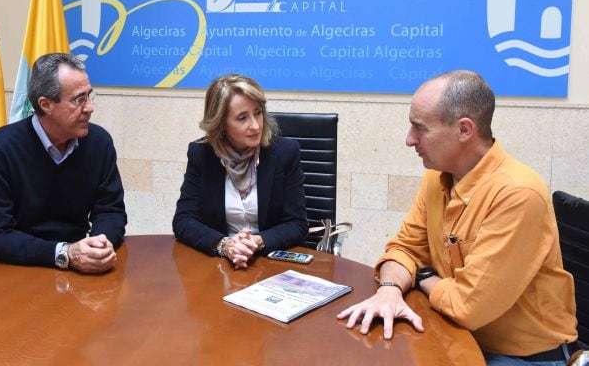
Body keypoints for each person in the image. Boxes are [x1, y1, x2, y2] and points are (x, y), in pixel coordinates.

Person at [337, 70, 578, 364]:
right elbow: (405, 249)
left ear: (464, 130)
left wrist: (423, 275)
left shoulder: (518, 194)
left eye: (419, 128)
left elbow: (467, 306)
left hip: (521, 356)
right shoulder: (439, 176)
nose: (409, 140)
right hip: (452, 332)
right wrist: (389, 290)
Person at [0, 53, 126, 273]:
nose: (89, 108)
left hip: (78, 271)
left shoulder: (98, 142)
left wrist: (98, 245)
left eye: (89, 96)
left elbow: (111, 212)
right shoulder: (1, 148)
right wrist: (66, 253)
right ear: (46, 105)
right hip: (17, 270)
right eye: (79, 99)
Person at [173, 74, 308, 268]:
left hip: (272, 263)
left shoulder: (285, 153)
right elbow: (184, 221)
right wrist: (225, 244)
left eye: (258, 113)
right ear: (220, 124)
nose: (255, 125)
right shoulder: (202, 155)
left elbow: (297, 224)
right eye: (242, 118)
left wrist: (257, 241)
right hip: (220, 266)